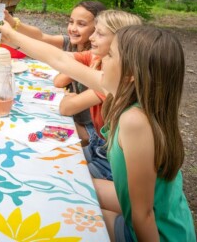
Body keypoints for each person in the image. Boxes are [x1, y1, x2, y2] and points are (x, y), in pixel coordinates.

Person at [0, 23, 195, 241]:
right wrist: (11, 35)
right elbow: (59, 60)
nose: (102, 58)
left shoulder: (135, 121)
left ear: (131, 74)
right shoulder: (122, 91)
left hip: (160, 232)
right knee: (61, 185)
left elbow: (143, 214)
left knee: (61, 219)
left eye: (111, 55)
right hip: (157, 208)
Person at [59, 10, 142, 180]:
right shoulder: (99, 60)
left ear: (120, 42)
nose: (91, 38)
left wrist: (73, 93)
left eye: (100, 33)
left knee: (64, 174)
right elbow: (59, 63)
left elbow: (67, 108)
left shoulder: (116, 80)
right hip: (100, 144)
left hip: (108, 158)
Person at [5, 0, 106, 136]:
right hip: (74, 115)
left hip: (87, 126)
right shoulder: (70, 43)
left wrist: (11, 37)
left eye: (81, 24)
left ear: (97, 29)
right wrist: (13, 23)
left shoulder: (96, 57)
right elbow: (41, 37)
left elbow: (59, 80)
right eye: (71, 22)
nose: (73, 28)